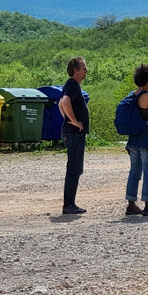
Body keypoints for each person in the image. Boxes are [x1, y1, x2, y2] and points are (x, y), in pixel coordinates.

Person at [124, 64, 148, 216]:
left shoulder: (132, 95)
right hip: (147, 138)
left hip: (133, 138)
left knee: (134, 171)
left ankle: (131, 203)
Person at [57, 56, 89, 215]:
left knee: (75, 169)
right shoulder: (73, 85)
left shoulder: (70, 85)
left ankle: (70, 203)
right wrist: (74, 121)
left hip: (72, 133)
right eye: (84, 68)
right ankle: (69, 204)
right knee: (74, 170)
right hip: (74, 134)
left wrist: (68, 119)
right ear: (76, 71)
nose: (86, 71)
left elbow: (60, 103)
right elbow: (64, 102)